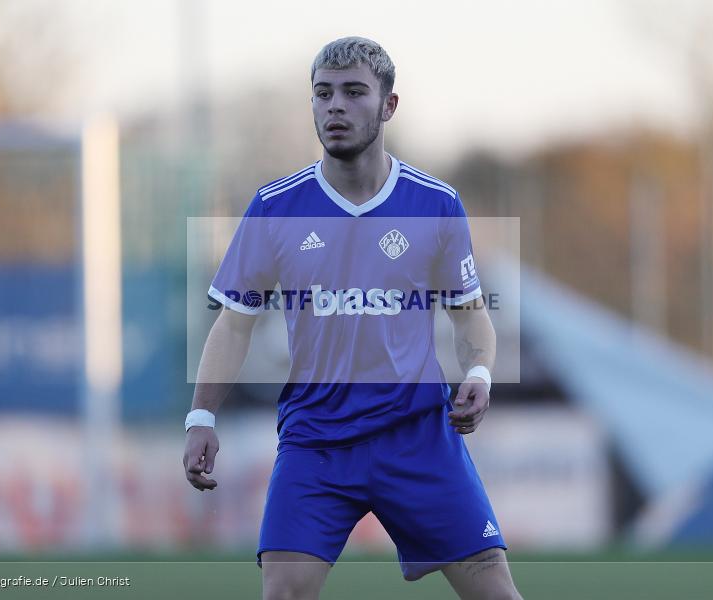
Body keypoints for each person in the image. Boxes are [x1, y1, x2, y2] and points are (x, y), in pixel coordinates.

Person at [183, 36, 523, 600]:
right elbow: (234, 323)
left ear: (389, 106)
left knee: (495, 593)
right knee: (283, 593)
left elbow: (471, 318)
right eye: (323, 93)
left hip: (417, 435)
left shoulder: (435, 204)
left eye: (353, 92)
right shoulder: (276, 207)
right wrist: (201, 415)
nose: (335, 106)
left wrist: (481, 373)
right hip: (317, 441)